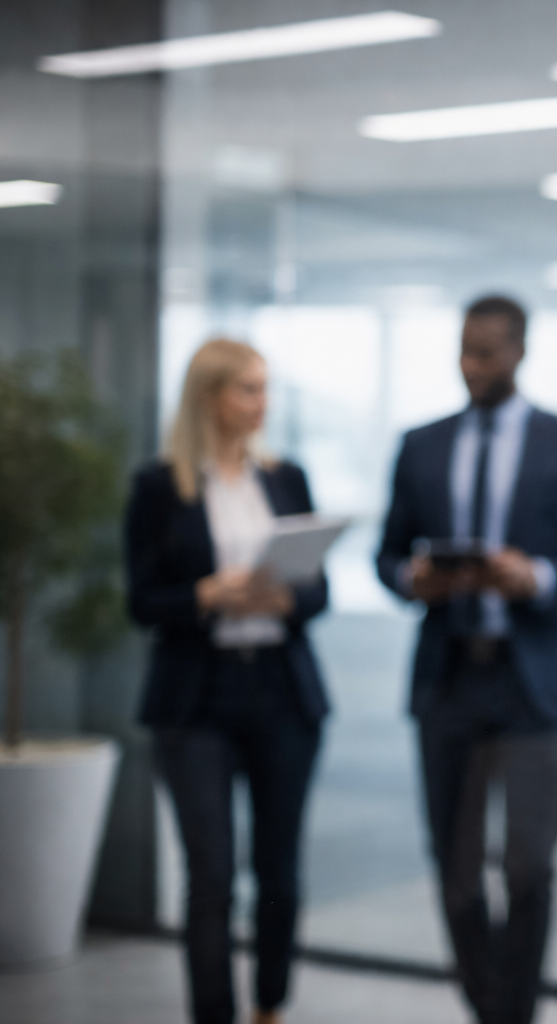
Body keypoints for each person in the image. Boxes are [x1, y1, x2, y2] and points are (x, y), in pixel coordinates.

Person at [376, 295, 557, 1024]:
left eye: (486, 352)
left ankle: (513, 1013)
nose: (471, 366)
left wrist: (535, 577)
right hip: (449, 676)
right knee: (455, 871)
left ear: (519, 351)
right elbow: (387, 554)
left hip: (534, 681)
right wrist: (412, 578)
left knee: (529, 866)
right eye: (464, 351)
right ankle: (493, 1008)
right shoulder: (421, 444)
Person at [125, 338, 329, 1024]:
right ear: (209, 397)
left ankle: (270, 1006)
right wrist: (206, 595)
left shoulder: (287, 478)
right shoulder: (159, 487)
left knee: (279, 870)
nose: (261, 403)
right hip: (196, 697)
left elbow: (318, 592)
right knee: (210, 875)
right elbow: (141, 601)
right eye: (248, 388)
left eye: (265, 388)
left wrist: (284, 598)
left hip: (282, 690)